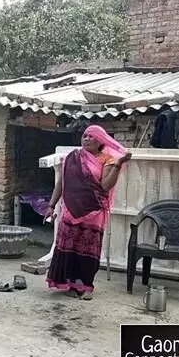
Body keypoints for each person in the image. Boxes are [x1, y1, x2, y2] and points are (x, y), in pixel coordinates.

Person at [44, 124, 132, 300]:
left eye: (91, 136)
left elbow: (105, 186)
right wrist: (51, 206)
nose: (86, 139)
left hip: (93, 211)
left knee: (88, 250)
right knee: (68, 248)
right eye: (84, 136)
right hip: (70, 210)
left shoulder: (107, 159)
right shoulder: (72, 157)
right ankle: (71, 283)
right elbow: (61, 184)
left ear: (101, 140)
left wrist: (119, 164)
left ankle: (85, 286)